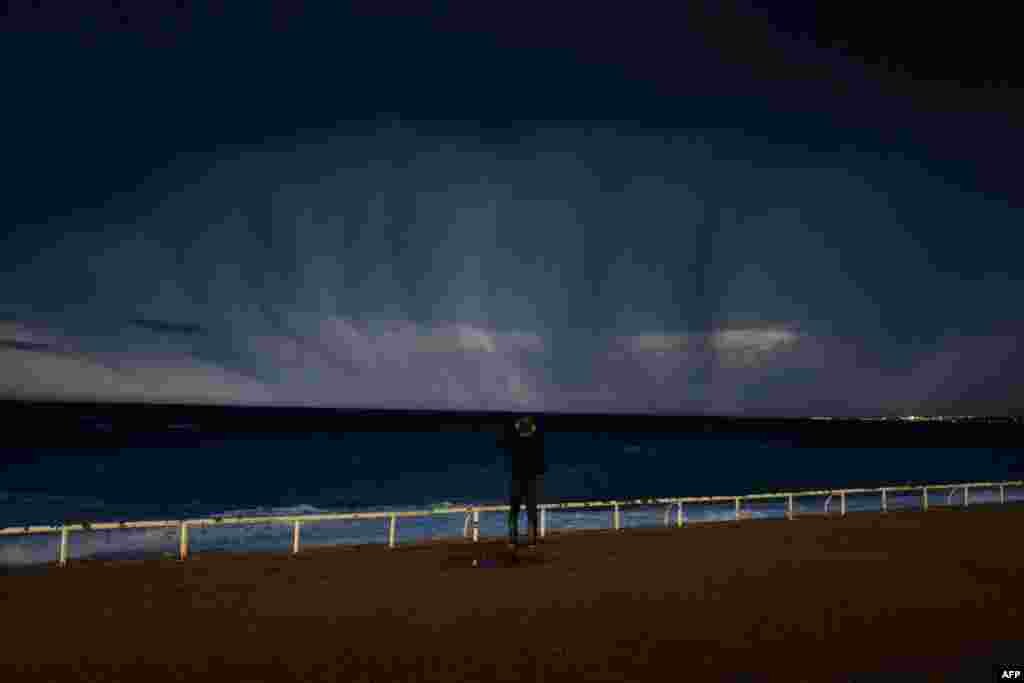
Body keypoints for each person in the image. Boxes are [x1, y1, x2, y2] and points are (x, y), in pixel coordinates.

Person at [500, 415, 546, 549]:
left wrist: (517, 427)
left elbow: (510, 433)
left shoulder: (515, 442)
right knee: (531, 512)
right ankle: (532, 542)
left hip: (516, 481)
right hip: (531, 481)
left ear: (519, 429)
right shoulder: (536, 443)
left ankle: (512, 541)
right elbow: (541, 467)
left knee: (514, 512)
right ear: (531, 430)